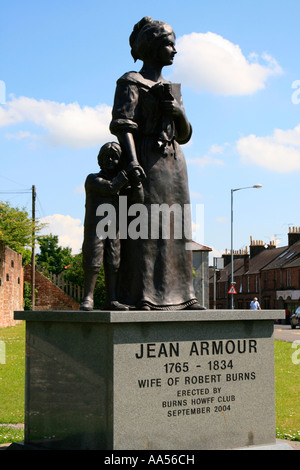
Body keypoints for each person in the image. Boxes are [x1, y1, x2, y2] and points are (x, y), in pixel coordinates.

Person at [109, 16, 205, 310]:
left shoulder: (173, 88)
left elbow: (186, 135)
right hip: (146, 160)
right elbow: (121, 125)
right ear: (151, 47)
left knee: (178, 228)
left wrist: (177, 112)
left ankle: (185, 296)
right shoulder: (130, 81)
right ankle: (144, 294)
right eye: (168, 44)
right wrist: (134, 164)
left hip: (175, 164)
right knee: (145, 229)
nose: (174, 50)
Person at [80, 142, 129, 311]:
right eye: (106, 157)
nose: (110, 160)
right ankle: (88, 297)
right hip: (96, 227)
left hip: (115, 228)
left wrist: (136, 181)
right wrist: (127, 172)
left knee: (114, 261)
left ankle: (112, 299)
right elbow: (110, 188)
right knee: (93, 261)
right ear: (99, 160)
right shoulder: (93, 179)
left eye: (114, 157)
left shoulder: (122, 183)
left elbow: (137, 199)